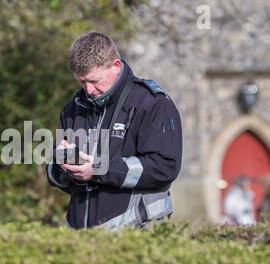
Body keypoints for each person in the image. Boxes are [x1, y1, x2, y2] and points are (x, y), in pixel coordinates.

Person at [45, 32, 182, 231]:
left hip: (136, 236)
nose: (89, 90)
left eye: (94, 81)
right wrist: (62, 166)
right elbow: (53, 176)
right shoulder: (73, 108)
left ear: (115, 66)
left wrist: (98, 168)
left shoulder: (152, 103)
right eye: (82, 82)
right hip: (78, 240)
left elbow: (165, 167)